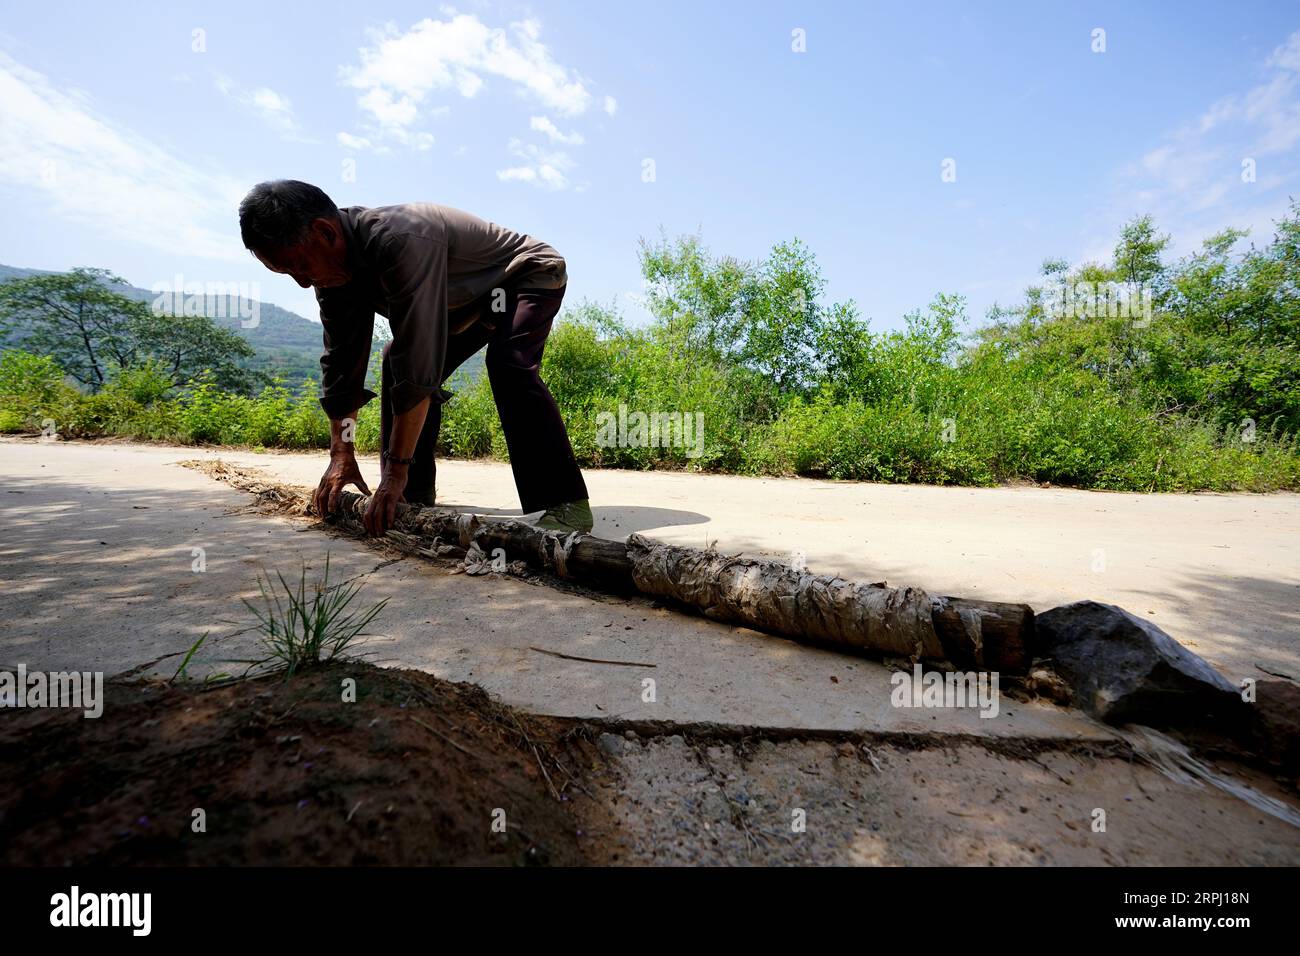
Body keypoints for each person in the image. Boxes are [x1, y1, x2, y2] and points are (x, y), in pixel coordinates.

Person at [237, 179, 593, 537]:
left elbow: (418, 363)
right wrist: (340, 455)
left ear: (325, 232)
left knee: (508, 364)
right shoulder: (333, 275)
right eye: (288, 274)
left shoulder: (401, 241)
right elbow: (342, 367)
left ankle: (567, 503)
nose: (302, 282)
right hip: (467, 303)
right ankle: (414, 493)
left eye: (299, 265)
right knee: (392, 359)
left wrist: (393, 474)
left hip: (525, 275)